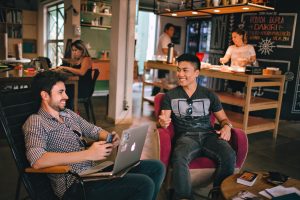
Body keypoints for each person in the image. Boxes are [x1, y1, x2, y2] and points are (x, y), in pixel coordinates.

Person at [23, 70, 165, 200]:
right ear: (44, 95)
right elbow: (37, 160)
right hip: (74, 185)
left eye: (65, 91)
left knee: (156, 167)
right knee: (144, 184)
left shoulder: (67, 114)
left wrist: (110, 138)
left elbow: (93, 130)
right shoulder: (36, 121)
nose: (66, 96)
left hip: (93, 173)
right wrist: (88, 154)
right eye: (60, 92)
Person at [158, 54, 236, 200]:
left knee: (229, 154)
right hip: (186, 137)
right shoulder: (170, 96)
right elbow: (164, 119)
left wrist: (227, 127)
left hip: (209, 136)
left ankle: (218, 195)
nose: (180, 74)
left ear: (196, 73)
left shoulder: (209, 95)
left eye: (185, 70)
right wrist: (162, 123)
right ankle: (183, 197)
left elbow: (224, 119)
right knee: (179, 157)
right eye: (178, 70)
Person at [58, 40, 93, 109]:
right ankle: (66, 112)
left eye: (75, 50)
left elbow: (81, 72)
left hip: (83, 88)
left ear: (82, 50)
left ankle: (69, 113)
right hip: (78, 84)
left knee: (63, 91)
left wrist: (66, 68)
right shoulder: (79, 59)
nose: (74, 52)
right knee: (62, 89)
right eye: (73, 50)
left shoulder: (86, 59)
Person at [220, 29, 257, 93]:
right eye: (232, 37)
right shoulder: (231, 47)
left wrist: (247, 62)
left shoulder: (249, 47)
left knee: (241, 92)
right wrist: (222, 60)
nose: (233, 39)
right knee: (233, 92)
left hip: (245, 74)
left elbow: (253, 59)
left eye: (235, 37)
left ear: (241, 36)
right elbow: (226, 58)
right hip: (233, 73)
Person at [152, 23, 176, 96]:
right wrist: (174, 53)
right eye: (171, 30)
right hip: (163, 62)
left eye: (173, 30)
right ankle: (164, 97)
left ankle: (155, 96)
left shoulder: (164, 36)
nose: (173, 32)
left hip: (162, 62)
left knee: (161, 81)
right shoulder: (166, 37)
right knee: (163, 80)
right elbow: (165, 50)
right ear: (166, 30)